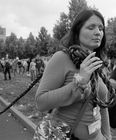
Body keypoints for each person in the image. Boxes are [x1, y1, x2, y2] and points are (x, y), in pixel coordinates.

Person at [35, 9, 113, 140]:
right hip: (63, 135)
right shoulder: (62, 58)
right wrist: (79, 82)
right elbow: (41, 102)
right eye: (91, 27)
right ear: (77, 31)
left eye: (101, 28)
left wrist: (107, 136)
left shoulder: (98, 64)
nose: (98, 32)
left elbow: (102, 105)